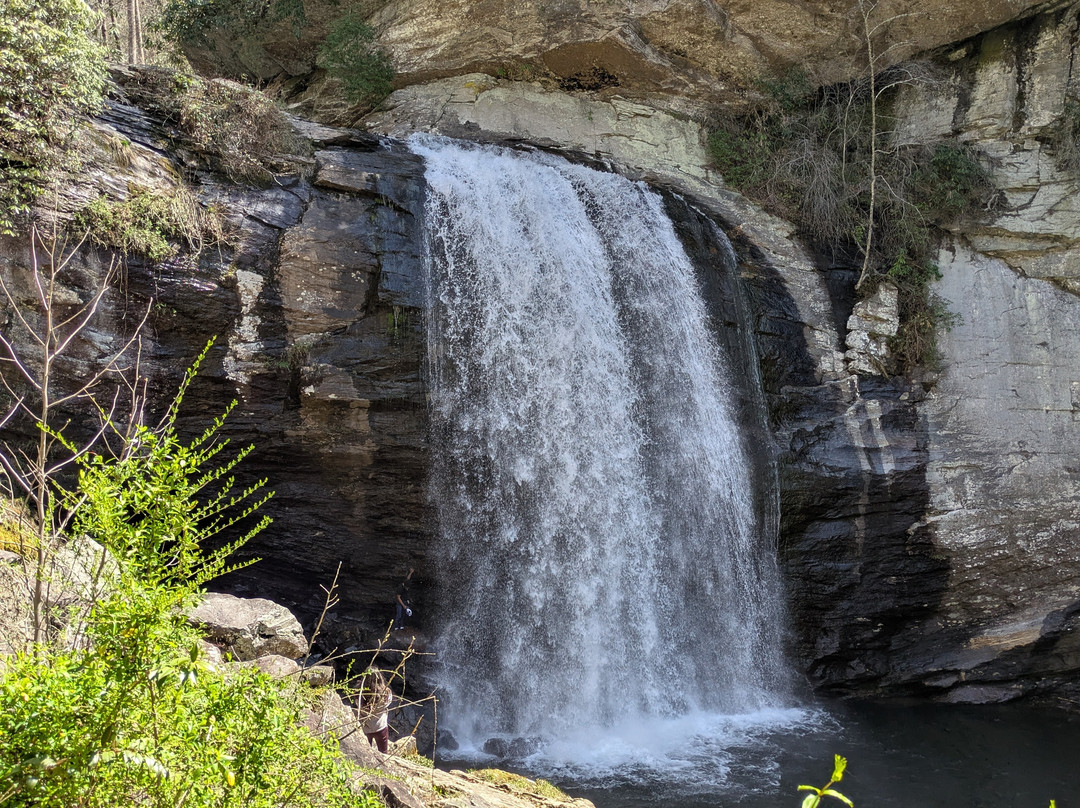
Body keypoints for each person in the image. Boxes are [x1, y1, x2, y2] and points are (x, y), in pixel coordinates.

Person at [359, 670, 393, 753]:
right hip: (380, 726)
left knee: (366, 752)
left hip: (365, 728)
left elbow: (358, 705)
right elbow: (388, 702)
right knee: (383, 752)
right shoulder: (386, 693)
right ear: (380, 677)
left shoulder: (359, 694)